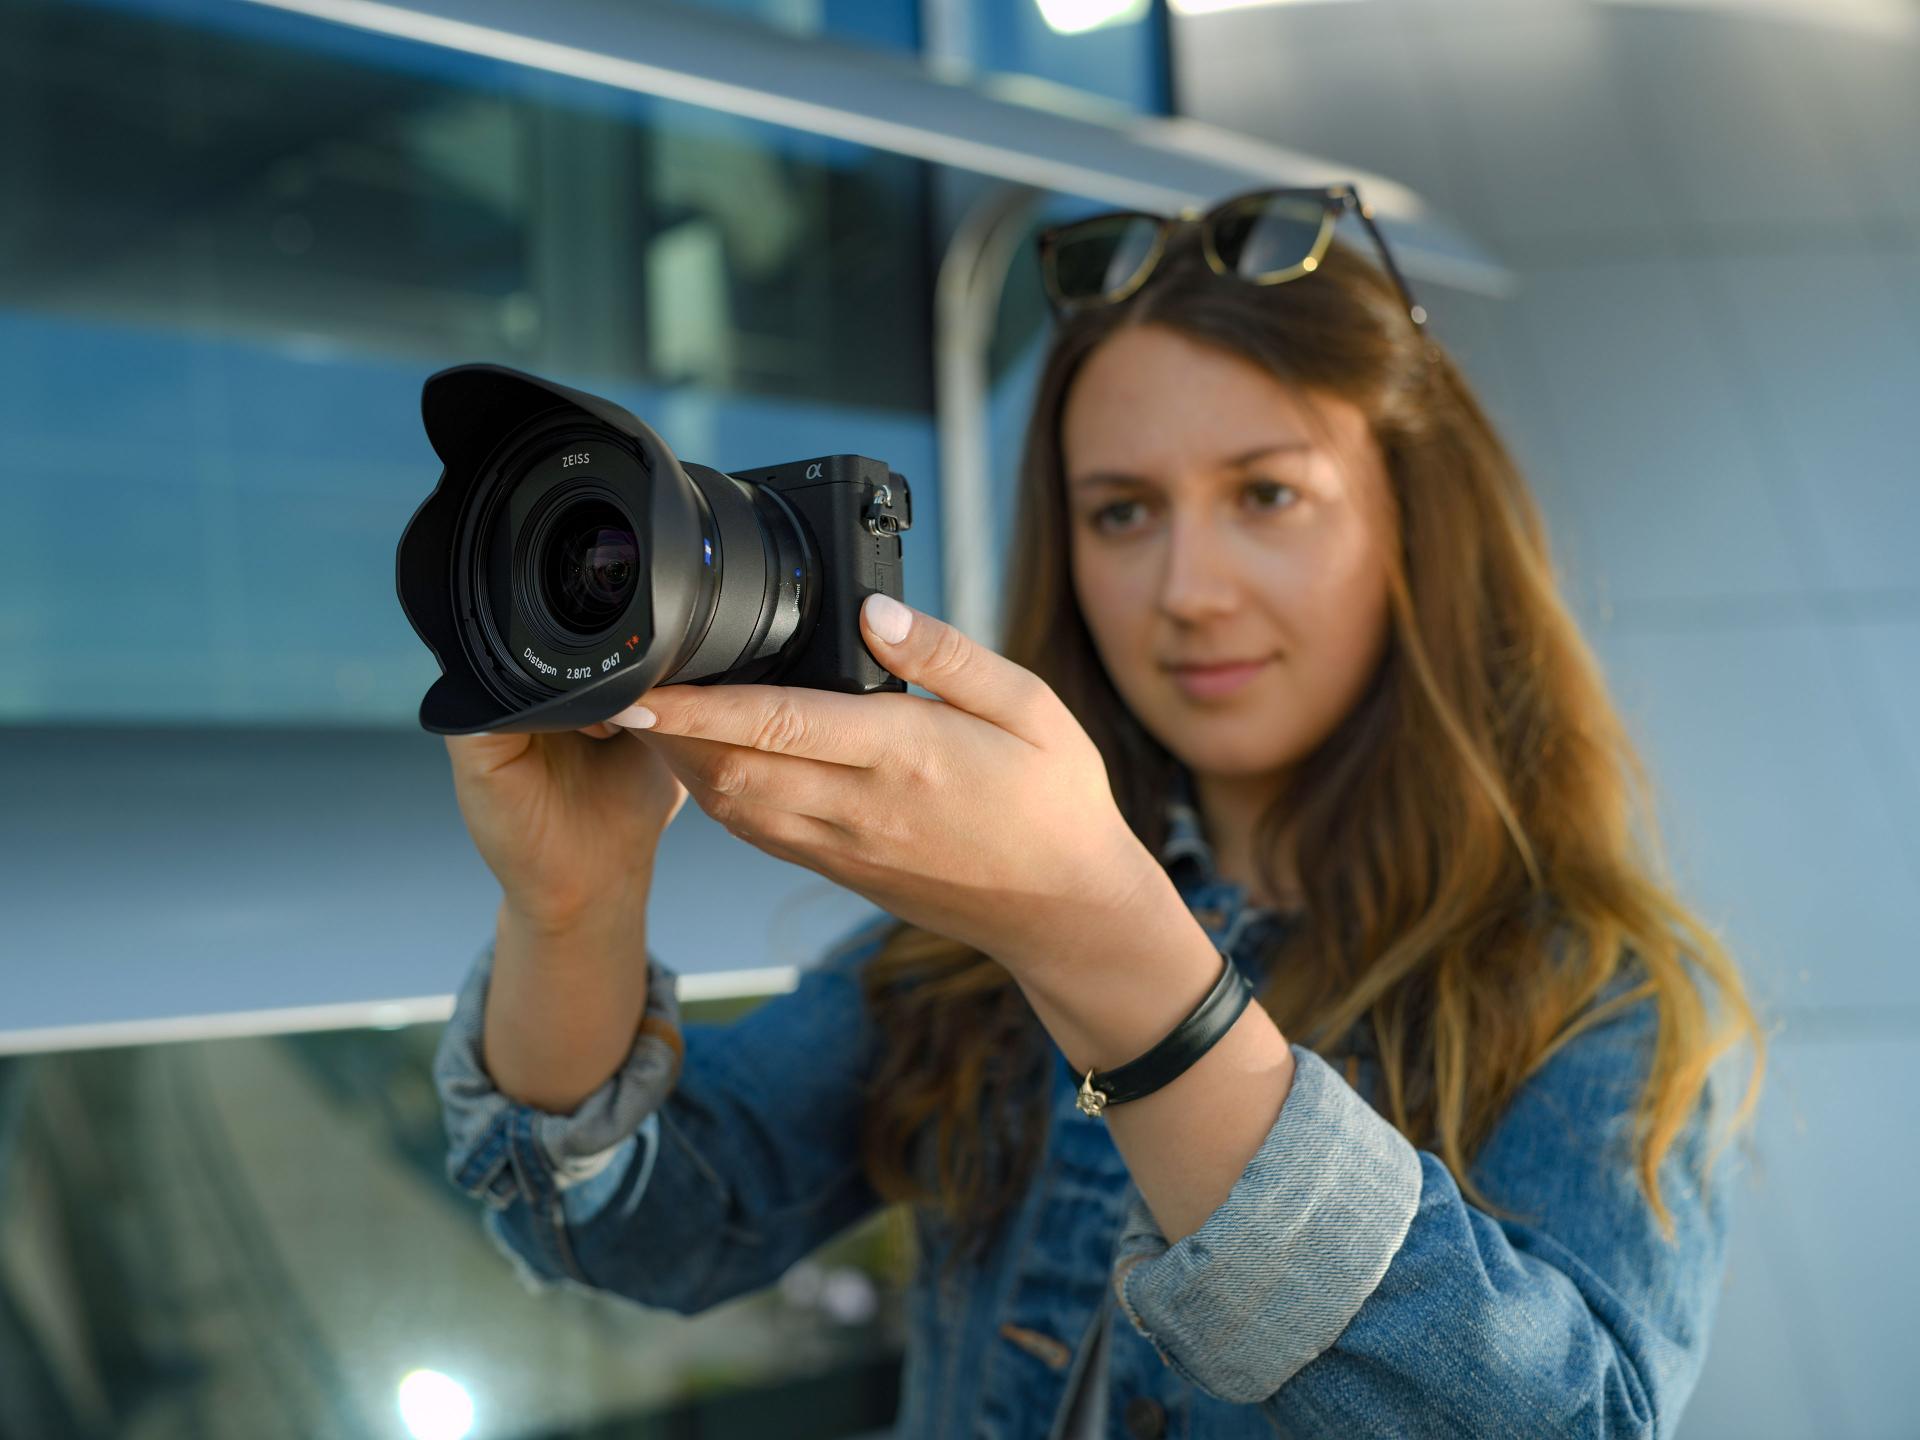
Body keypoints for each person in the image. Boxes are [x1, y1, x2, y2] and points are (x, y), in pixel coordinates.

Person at [431, 188, 1767, 1439]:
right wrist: (574, 904)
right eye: (1121, 513)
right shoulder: (974, 942)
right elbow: (641, 1226)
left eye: (1267, 494)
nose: (1188, 587)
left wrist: (1107, 943)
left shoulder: (1592, 994)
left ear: (1422, 524)